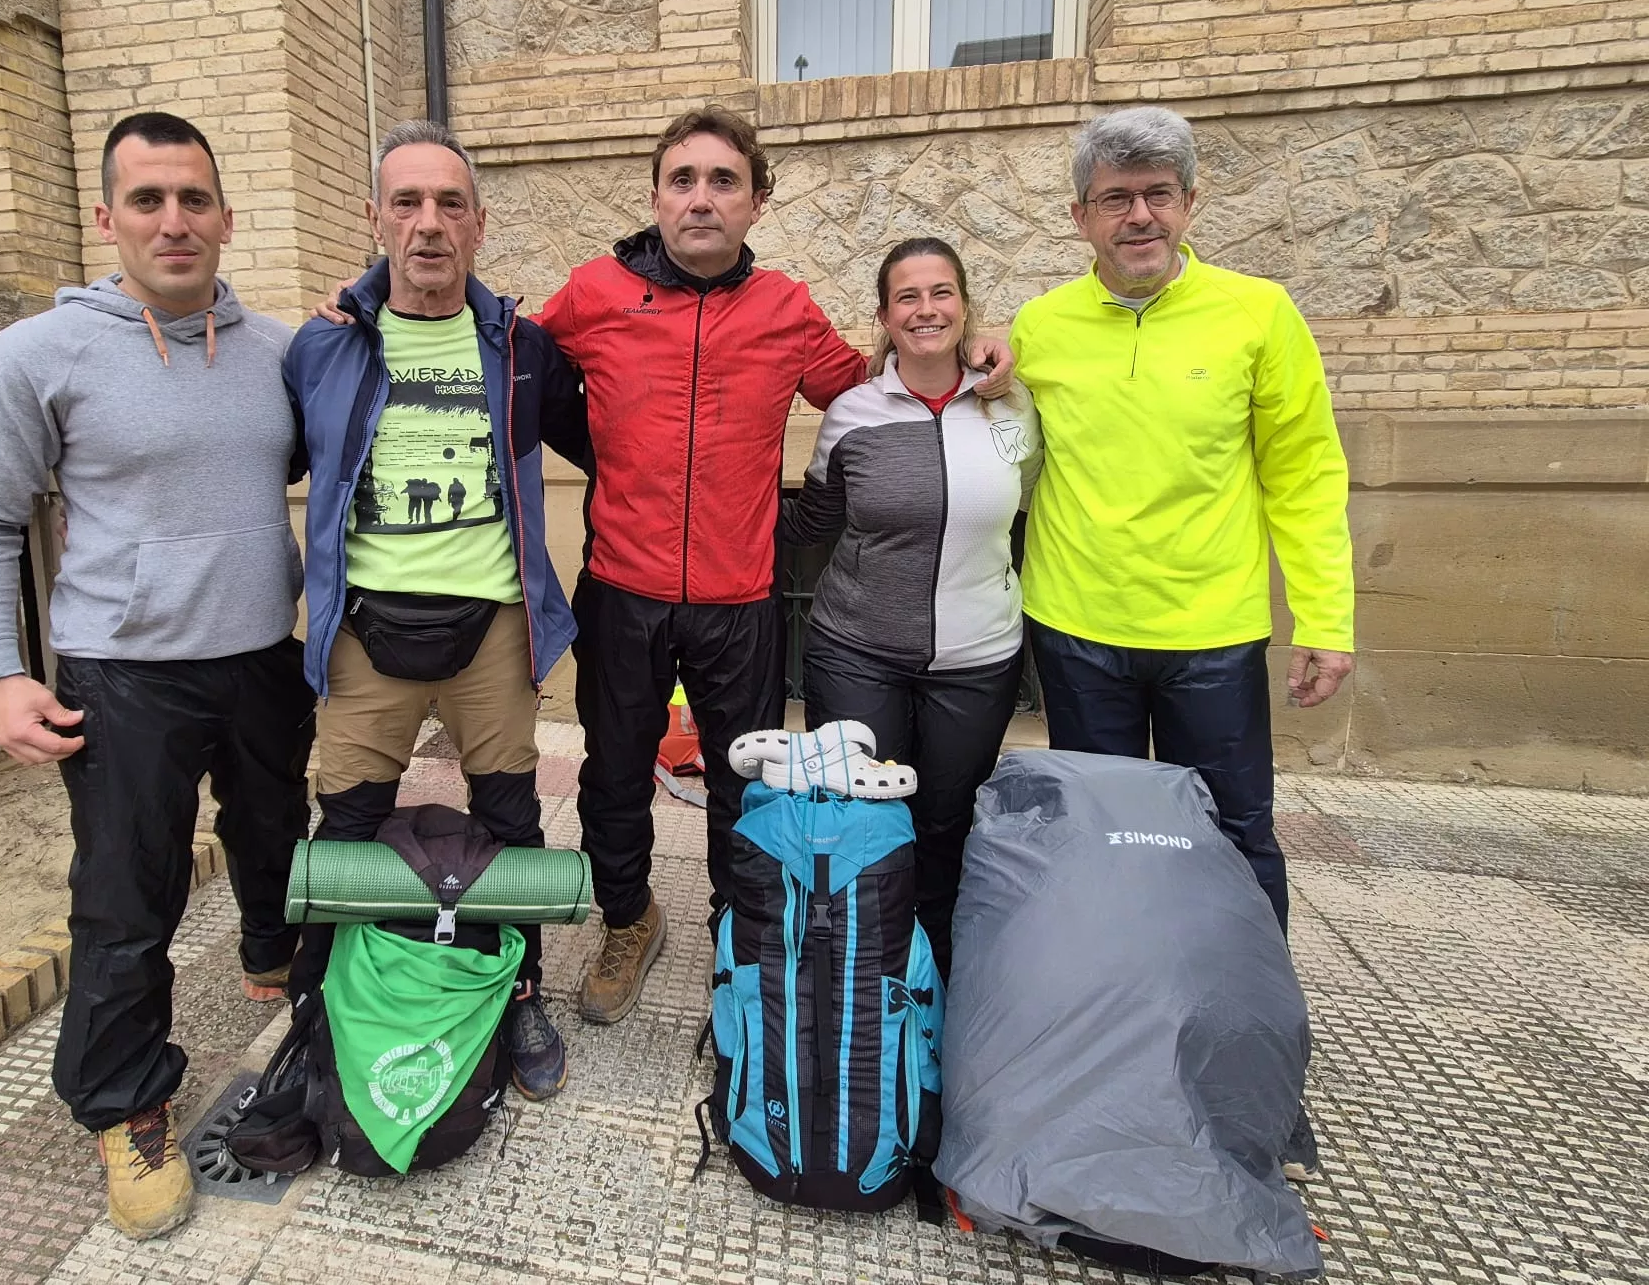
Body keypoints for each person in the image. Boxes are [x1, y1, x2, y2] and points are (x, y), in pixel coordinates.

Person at [533, 106, 1016, 1024]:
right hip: (623, 589)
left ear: (756, 202)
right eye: (682, 180)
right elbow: (518, 363)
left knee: (743, 782)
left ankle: (742, 933)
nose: (701, 198)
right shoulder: (596, 291)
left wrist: (977, 353)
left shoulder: (786, 309)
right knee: (614, 773)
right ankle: (628, 919)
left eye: (724, 181)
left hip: (741, 597)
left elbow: (875, 385)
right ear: (655, 197)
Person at [0, 112, 313, 1240]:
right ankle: (125, 1104)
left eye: (193, 199)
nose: (172, 221)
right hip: (123, 673)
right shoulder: (38, 354)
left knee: (276, 839)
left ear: (226, 218)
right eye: (148, 200)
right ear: (108, 218)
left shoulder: (280, 352)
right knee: (128, 896)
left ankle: (270, 963)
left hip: (260, 655)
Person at [1011, 105, 1354, 1176]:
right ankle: (1122, 1051)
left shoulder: (1257, 314)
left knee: (1236, 845)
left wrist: (1325, 617)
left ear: (1191, 203)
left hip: (1211, 634)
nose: (1139, 215)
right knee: (1103, 850)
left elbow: (1305, 471)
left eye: (1158, 193)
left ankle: (1252, 1064)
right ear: (1080, 216)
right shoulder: (1038, 328)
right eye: (1114, 197)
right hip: (1077, 629)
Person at [282, 119, 587, 1100]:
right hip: (364, 628)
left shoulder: (522, 348)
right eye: (406, 202)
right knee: (345, 823)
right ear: (374, 218)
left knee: (510, 822)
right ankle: (321, 1001)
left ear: (478, 225)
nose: (428, 223)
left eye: (450, 204)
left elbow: (612, 434)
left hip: (491, 626)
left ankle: (518, 990)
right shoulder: (323, 346)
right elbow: (263, 459)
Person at [776, 238, 1041, 977]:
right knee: (862, 820)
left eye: (941, 292)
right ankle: (861, 971)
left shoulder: (1011, 403)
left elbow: (1042, 496)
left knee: (947, 825)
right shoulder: (852, 413)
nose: (927, 310)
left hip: (978, 660)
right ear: (886, 317)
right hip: (857, 654)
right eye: (908, 297)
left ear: (965, 305)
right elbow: (813, 522)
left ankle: (935, 974)